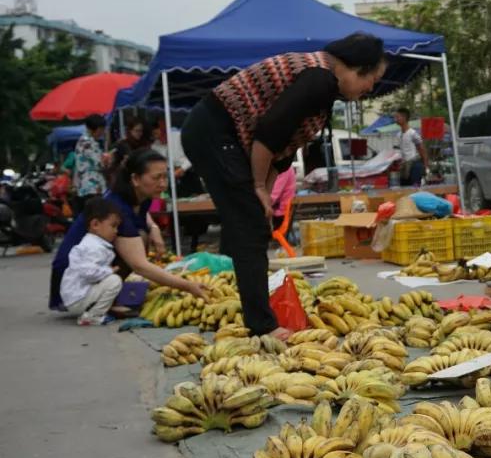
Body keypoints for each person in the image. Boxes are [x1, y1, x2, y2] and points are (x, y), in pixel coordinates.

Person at [181, 33, 388, 340]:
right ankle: (262, 325)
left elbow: (282, 154)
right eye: (371, 78)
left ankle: (260, 313)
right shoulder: (319, 78)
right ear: (354, 67)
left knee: (253, 220)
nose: (371, 87)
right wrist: (259, 188)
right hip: (214, 132)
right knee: (249, 223)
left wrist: (263, 191)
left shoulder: (323, 84)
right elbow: (268, 134)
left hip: (228, 139)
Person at [50, 149, 208, 312]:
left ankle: (109, 294)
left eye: (165, 177)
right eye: (156, 178)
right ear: (135, 179)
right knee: (139, 238)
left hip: (88, 270)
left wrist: (154, 228)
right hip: (73, 285)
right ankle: (101, 301)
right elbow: (139, 265)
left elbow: (143, 215)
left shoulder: (138, 196)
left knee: (143, 234)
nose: (163, 184)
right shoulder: (117, 210)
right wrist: (188, 286)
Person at [60, 196, 123, 325]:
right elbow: (89, 273)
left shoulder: (92, 243)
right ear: (95, 225)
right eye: (113, 226)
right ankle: (93, 316)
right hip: (78, 297)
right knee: (114, 281)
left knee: (110, 280)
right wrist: (109, 270)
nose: (116, 231)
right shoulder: (93, 247)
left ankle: (94, 311)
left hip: (75, 296)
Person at [72, 114, 108, 215]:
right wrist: (108, 158)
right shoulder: (88, 143)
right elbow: (100, 163)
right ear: (93, 129)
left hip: (86, 186)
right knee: (95, 215)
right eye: (101, 129)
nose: (102, 132)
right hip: (91, 186)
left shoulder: (84, 141)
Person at [394, 107, 427, 186]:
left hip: (414, 165)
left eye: (397, 117)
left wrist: (425, 166)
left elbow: (421, 149)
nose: (395, 119)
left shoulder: (412, 133)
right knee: (404, 189)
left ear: (404, 118)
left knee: (414, 189)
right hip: (404, 166)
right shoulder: (399, 134)